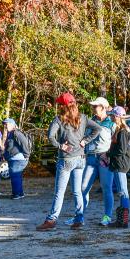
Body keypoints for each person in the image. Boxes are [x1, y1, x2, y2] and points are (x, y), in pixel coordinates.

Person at [36, 92, 101, 231]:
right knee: (77, 191)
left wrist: (61, 146)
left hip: (66, 159)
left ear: (62, 106)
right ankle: (79, 218)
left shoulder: (59, 119)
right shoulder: (83, 117)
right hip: (80, 159)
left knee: (59, 192)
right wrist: (85, 141)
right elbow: (98, 128)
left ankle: (52, 220)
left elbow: (50, 137)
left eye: (60, 104)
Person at [65, 96, 116, 227]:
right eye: (93, 106)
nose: (93, 108)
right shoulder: (91, 120)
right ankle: (79, 216)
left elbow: (117, 142)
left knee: (106, 188)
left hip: (105, 159)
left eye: (95, 106)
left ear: (103, 108)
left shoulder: (112, 123)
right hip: (91, 158)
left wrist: (109, 154)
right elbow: (83, 136)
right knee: (83, 188)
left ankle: (107, 216)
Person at [107, 106, 130, 228]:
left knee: (123, 192)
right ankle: (122, 220)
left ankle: (123, 221)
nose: (111, 117)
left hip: (120, 164)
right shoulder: (121, 130)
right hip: (119, 163)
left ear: (118, 117)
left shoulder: (122, 132)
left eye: (112, 115)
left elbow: (121, 150)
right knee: (123, 191)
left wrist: (108, 154)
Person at [2, 118, 31, 200]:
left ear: (12, 124)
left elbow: (24, 143)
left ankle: (16, 194)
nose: (5, 126)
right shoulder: (10, 134)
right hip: (14, 159)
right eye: (4, 124)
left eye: (7, 124)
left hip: (18, 159)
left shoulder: (16, 133)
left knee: (15, 177)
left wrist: (26, 155)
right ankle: (20, 193)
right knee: (17, 176)